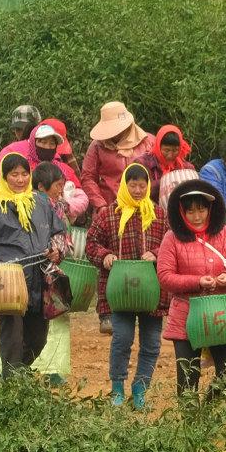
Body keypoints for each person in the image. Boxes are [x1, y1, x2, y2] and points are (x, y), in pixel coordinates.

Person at [0, 151, 68, 377]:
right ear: (4, 176)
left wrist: (57, 250)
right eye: (14, 175)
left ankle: (15, 373)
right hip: (6, 282)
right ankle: (11, 384)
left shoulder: (41, 203)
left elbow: (59, 233)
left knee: (38, 337)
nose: (20, 180)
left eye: (24, 174)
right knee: (12, 334)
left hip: (40, 279)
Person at [85, 162, 169, 409]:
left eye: (142, 185)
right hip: (119, 292)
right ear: (124, 184)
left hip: (151, 293)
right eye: (132, 185)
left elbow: (170, 245)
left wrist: (156, 253)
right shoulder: (108, 214)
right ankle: (118, 388)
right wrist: (105, 256)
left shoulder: (158, 215)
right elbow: (91, 244)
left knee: (152, 343)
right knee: (122, 339)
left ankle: (140, 389)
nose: (137, 190)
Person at [155, 180, 226, 397]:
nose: (197, 216)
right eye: (190, 211)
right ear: (181, 212)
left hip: (221, 314)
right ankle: (191, 425)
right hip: (185, 316)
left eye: (202, 209)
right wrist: (197, 281)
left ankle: (207, 411)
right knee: (188, 377)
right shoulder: (172, 239)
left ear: (211, 209)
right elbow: (165, 277)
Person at [27, 163, 84, 385]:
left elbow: (64, 236)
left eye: (62, 185)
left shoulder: (60, 205)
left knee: (57, 316)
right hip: (31, 270)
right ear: (41, 186)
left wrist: (58, 251)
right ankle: (17, 367)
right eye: (57, 186)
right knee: (24, 320)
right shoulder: (24, 204)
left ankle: (53, 369)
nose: (61, 190)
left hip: (54, 269)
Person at [81, 101, 150, 214]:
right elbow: (88, 177)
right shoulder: (97, 145)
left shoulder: (146, 143)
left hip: (142, 209)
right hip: (109, 208)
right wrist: (100, 205)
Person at [0, 119, 81, 185]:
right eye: (43, 142)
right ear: (33, 141)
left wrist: (68, 203)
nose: (47, 147)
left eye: (52, 143)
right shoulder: (12, 152)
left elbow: (78, 190)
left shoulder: (59, 164)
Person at [134, 124, 195, 199]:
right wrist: (168, 181)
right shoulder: (142, 163)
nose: (170, 155)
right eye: (166, 150)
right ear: (158, 146)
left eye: (175, 150)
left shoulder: (186, 168)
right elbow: (140, 190)